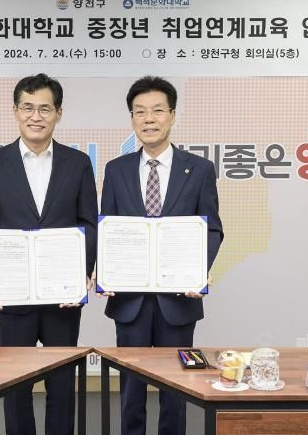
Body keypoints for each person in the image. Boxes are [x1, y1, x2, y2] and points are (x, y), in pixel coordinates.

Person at [0, 73, 97, 435]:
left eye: (45, 108)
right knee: (16, 387)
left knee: (62, 385)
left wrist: (79, 277)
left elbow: (88, 224)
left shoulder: (77, 163)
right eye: (27, 107)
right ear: (15, 111)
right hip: (13, 298)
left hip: (62, 298)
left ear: (59, 113)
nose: (35, 116)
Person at [100, 76, 223, 435]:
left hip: (178, 299)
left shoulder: (199, 169)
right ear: (132, 119)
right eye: (140, 112)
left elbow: (212, 228)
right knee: (130, 387)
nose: (148, 119)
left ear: (172, 116)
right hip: (130, 300)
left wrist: (199, 269)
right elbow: (108, 228)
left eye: (157, 110)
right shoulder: (116, 170)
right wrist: (105, 270)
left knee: (177, 387)